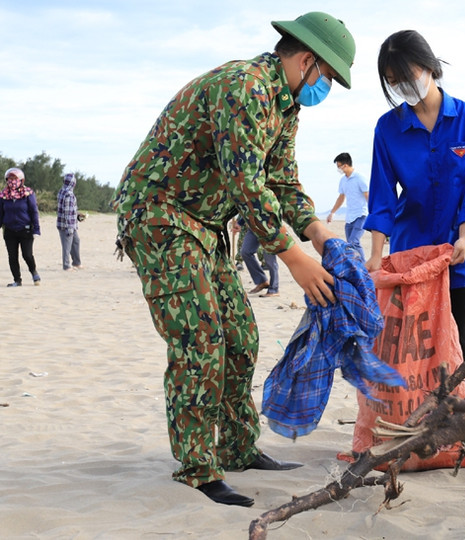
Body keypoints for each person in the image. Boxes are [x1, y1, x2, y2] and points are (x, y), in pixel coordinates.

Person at [112, 11, 356, 507]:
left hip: (204, 225)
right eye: (328, 76)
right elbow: (245, 183)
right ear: (307, 61)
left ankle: (238, 448)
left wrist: (316, 231)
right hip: (160, 215)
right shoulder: (244, 87)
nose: (324, 88)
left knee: (240, 335)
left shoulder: (285, 106)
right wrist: (293, 258)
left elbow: (281, 181)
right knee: (200, 338)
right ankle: (198, 469)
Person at [365, 29, 465, 386]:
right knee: (415, 341)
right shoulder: (387, 128)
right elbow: (383, 196)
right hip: (411, 250)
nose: (402, 86)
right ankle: (421, 412)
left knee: (457, 334)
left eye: (407, 76)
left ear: (429, 66)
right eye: (393, 81)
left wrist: (464, 237)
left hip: (458, 248)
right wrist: (376, 254)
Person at [1, 168, 41, 287]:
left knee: (27, 255)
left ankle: (34, 272)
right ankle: (17, 280)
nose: (12, 181)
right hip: (9, 230)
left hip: (25, 229)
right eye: (10, 179)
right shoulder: (3, 195)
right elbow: (0, 213)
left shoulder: (28, 194)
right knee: (12, 257)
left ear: (21, 180)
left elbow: (34, 211)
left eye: (15, 179)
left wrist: (36, 229)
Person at [326, 152, 369, 258]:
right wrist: (332, 212)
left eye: (339, 166)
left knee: (354, 241)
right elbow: (341, 197)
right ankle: (355, 265)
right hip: (349, 217)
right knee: (349, 245)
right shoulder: (343, 180)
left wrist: (374, 212)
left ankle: (364, 266)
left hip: (361, 215)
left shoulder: (360, 178)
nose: (338, 169)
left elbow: (367, 195)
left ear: (345, 165)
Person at [235, 216, 280, 297]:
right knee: (245, 252)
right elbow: (248, 210)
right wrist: (240, 223)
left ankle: (274, 289)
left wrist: (273, 221)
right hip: (253, 226)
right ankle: (262, 281)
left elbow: (278, 209)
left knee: (269, 259)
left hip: (268, 227)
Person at [56, 173, 83, 271]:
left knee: (76, 241)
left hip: (69, 224)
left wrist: (78, 215)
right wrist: (69, 227)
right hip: (67, 225)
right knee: (67, 246)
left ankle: (76, 263)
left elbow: (69, 209)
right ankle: (66, 266)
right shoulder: (68, 194)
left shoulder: (61, 191)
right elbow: (67, 212)